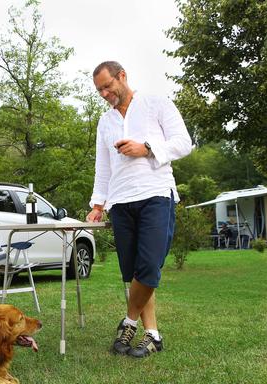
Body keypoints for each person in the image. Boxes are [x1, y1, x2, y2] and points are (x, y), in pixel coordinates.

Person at [86, 61, 193, 357]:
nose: (105, 93)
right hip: (120, 202)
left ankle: (129, 323)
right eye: (100, 90)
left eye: (108, 86)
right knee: (133, 272)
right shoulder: (105, 122)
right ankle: (153, 335)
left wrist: (146, 148)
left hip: (155, 194)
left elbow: (184, 143)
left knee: (148, 267)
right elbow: (103, 167)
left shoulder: (155, 103)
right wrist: (99, 204)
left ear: (122, 76)